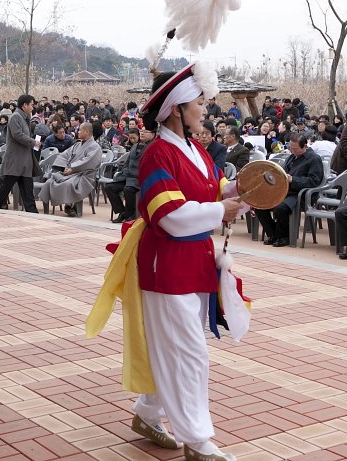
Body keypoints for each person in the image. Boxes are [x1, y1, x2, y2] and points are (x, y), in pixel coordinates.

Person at [89, 63, 247, 461]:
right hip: (166, 264)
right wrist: (220, 211)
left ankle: (147, 412)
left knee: (178, 347)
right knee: (189, 352)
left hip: (194, 260)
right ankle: (198, 440)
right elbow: (170, 217)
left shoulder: (195, 149)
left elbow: (213, 189)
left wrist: (240, 188)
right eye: (200, 103)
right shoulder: (157, 154)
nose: (206, 110)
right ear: (177, 108)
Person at [255, 134, 323, 247]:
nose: (292, 150)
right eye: (291, 147)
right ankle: (273, 234)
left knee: (280, 208)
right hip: (284, 191)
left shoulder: (314, 159)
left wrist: (293, 180)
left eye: (295, 148)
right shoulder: (291, 157)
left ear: (305, 146)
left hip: (300, 194)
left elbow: (314, 181)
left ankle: (284, 237)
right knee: (260, 205)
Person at [37, 121, 102, 216]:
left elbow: (88, 161)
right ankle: (47, 209)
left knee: (69, 184)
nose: (78, 132)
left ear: (87, 132)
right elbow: (64, 155)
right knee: (49, 182)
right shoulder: (77, 145)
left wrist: (72, 168)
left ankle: (68, 206)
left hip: (84, 175)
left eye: (80, 130)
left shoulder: (95, 146)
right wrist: (65, 168)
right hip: (70, 172)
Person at [0, 94, 41, 212]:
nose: (33, 108)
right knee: (5, 188)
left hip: (24, 161)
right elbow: (18, 135)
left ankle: (32, 212)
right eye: (31, 105)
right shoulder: (15, 117)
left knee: (27, 190)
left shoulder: (24, 117)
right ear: (25, 105)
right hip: (16, 161)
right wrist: (33, 142)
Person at [105, 127, 155, 222]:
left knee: (128, 189)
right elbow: (127, 163)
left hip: (139, 179)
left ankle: (130, 214)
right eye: (141, 131)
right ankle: (122, 212)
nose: (142, 133)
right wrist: (124, 171)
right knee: (109, 187)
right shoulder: (135, 146)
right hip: (128, 177)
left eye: (145, 131)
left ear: (153, 134)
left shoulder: (152, 147)